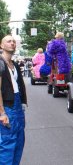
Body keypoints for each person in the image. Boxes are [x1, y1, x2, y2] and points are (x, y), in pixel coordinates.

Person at [0, 35, 28, 165]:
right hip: (7, 107)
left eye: (13, 41)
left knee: (19, 143)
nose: (12, 43)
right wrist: (2, 113)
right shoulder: (0, 63)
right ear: (2, 45)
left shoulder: (15, 64)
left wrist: (22, 105)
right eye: (8, 41)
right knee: (7, 145)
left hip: (17, 108)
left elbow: (19, 86)